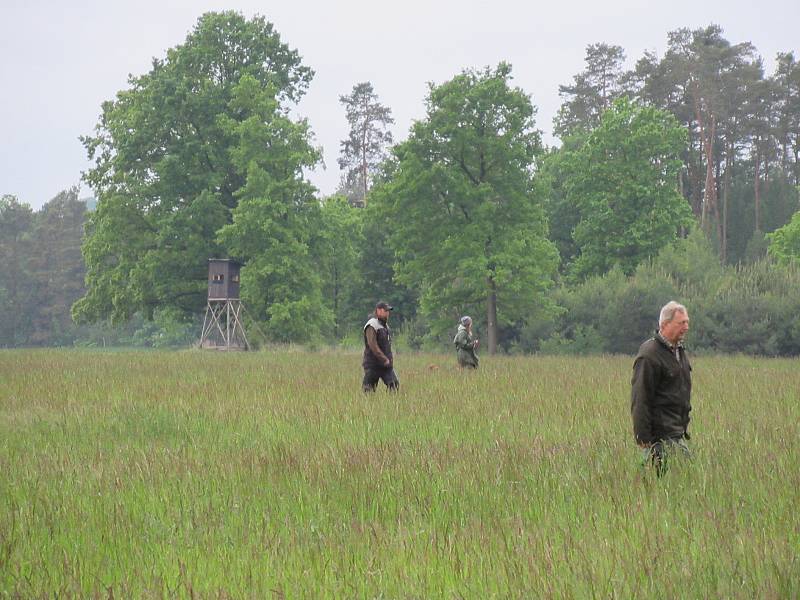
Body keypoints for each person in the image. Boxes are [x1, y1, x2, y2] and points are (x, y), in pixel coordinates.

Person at [630, 301, 692, 476]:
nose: (686, 327)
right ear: (665, 324)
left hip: (677, 433)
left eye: (687, 322)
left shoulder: (679, 351)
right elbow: (640, 399)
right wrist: (643, 439)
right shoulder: (649, 355)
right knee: (668, 482)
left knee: (688, 477)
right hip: (659, 436)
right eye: (682, 323)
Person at [362, 301, 399, 392]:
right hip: (373, 364)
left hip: (386, 365)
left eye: (388, 311)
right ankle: (367, 406)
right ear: (378, 311)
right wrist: (384, 358)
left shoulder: (385, 326)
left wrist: (388, 360)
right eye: (385, 311)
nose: (387, 313)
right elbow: (372, 344)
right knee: (369, 390)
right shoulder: (372, 325)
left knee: (394, 385)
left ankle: (391, 405)